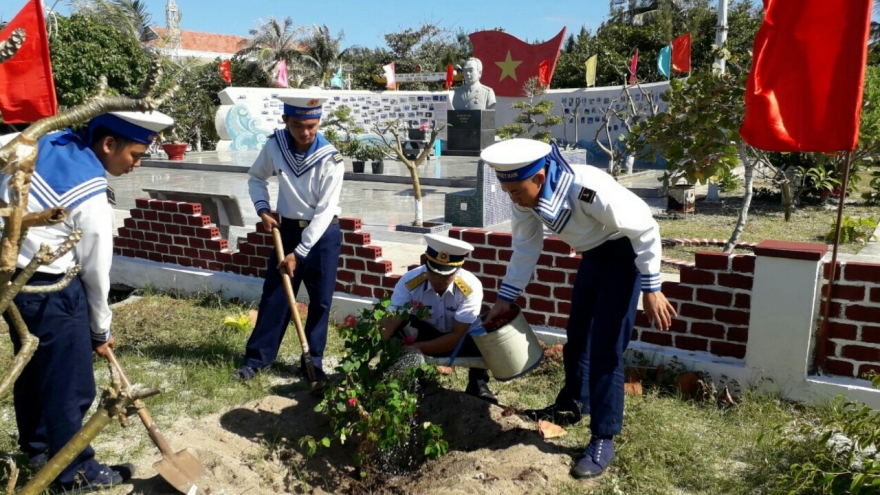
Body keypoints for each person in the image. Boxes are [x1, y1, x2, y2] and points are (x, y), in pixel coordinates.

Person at [480, 138, 677, 479]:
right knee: (578, 336)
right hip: (594, 258)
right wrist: (505, 298)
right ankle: (573, 403)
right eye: (507, 190)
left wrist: (652, 287)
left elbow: (644, 227)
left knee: (606, 350)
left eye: (515, 191)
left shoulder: (586, 188)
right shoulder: (526, 193)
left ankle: (603, 437)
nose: (512, 198)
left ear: (539, 179)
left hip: (624, 256)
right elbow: (526, 247)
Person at [0, 110, 174, 491]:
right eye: (135, 155)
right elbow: (96, 271)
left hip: (16, 285)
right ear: (108, 144)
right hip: (54, 290)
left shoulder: (47, 141)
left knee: (33, 370)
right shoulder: (90, 189)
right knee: (70, 385)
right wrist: (101, 328)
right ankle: (73, 472)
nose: (138, 164)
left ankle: (39, 448)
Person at [234, 95, 344, 382]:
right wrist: (262, 208)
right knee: (276, 295)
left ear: (319, 122)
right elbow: (256, 178)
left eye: (312, 125)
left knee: (320, 301)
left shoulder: (330, 158)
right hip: (288, 232)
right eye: (297, 125)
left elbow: (325, 209)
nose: (305, 132)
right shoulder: (275, 145)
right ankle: (257, 360)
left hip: (322, 235)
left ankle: (312, 363)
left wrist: (302, 250)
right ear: (285, 121)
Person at [381, 234, 496, 403]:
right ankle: (412, 379)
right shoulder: (409, 282)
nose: (438, 280)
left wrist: (418, 348)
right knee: (399, 327)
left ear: (457, 271)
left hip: (459, 340)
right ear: (426, 265)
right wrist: (380, 343)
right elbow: (391, 322)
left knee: (484, 334)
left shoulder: (470, 287)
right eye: (433, 273)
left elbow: (457, 335)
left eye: (444, 276)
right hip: (424, 333)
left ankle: (478, 384)